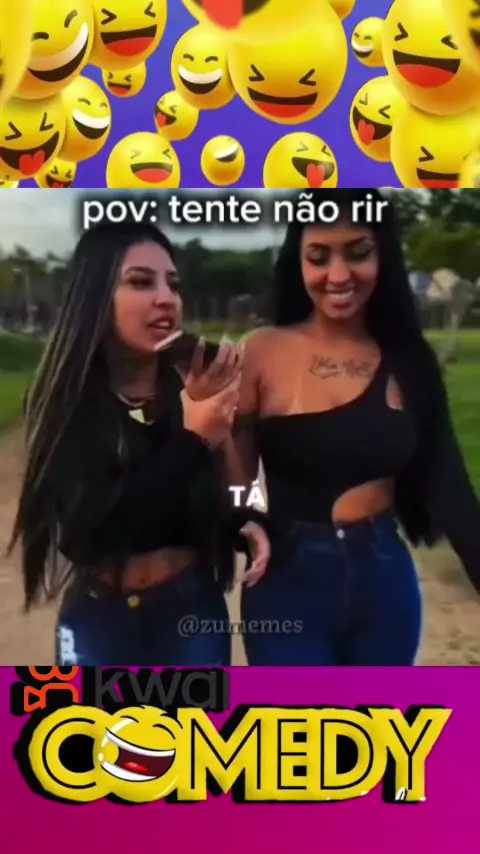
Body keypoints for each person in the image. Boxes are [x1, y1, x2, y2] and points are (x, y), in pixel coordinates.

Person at [225, 188, 480, 666]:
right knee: (295, 717)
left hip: (384, 583)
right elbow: (233, 473)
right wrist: (245, 523)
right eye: (319, 256)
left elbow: (449, 488)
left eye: (358, 253)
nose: (339, 275)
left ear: (383, 256)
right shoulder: (260, 352)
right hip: (286, 585)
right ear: (298, 261)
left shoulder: (408, 360)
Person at [9, 221, 271, 666]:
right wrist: (193, 438)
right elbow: (89, 535)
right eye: (141, 282)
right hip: (99, 615)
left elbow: (235, 488)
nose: (166, 298)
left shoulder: (192, 386)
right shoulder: (65, 400)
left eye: (173, 284)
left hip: (191, 609)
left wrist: (247, 520)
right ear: (95, 296)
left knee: (197, 716)